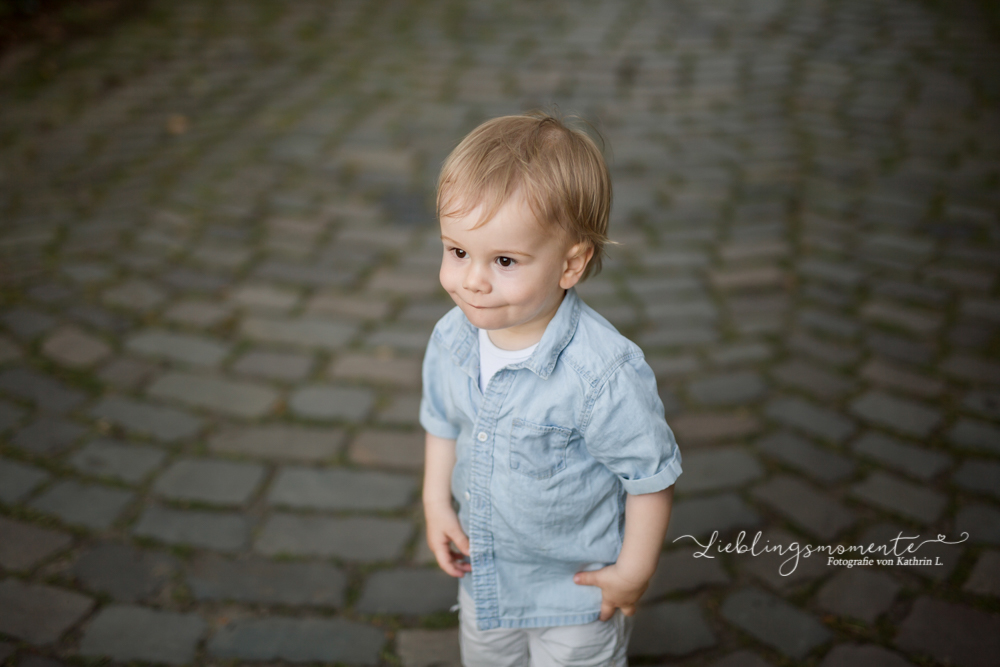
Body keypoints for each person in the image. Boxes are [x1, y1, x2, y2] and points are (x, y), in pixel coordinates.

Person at [420, 112, 682, 667]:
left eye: (505, 261)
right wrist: (435, 502)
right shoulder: (452, 338)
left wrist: (632, 573)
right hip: (486, 577)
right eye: (458, 251)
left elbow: (649, 476)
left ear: (572, 263)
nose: (473, 280)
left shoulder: (603, 373)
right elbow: (442, 420)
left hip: (577, 594)